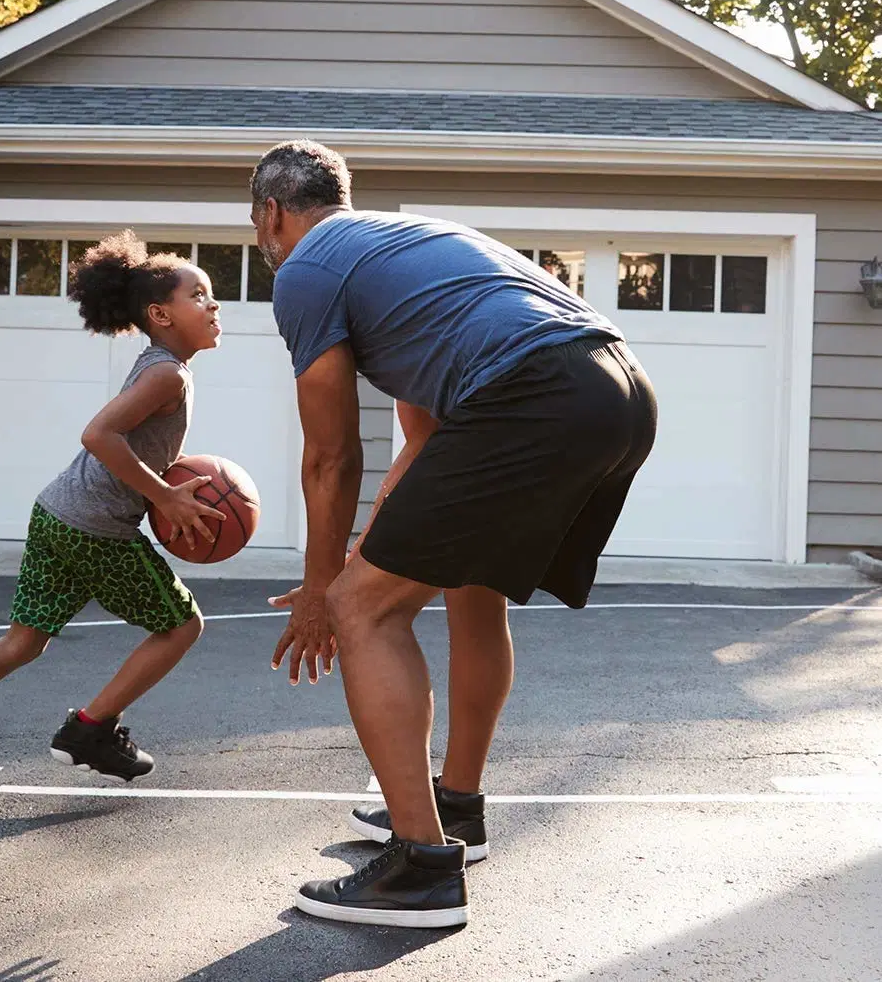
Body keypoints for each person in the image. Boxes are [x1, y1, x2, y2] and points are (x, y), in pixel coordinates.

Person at [251, 140, 656, 929]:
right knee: (469, 586)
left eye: (258, 227)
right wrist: (373, 548)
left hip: (534, 393)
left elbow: (331, 455)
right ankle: (456, 810)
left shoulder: (306, 270)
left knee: (366, 611)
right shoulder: (403, 246)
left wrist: (325, 591)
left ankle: (421, 870)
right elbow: (425, 438)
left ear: (271, 213)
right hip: (618, 389)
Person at [0, 233, 226, 780]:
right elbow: (98, 434)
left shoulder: (163, 366)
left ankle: (90, 727)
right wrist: (164, 494)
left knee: (22, 643)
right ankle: (90, 729)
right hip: (94, 527)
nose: (214, 306)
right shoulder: (166, 373)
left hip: (56, 513)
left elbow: (135, 442)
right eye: (200, 296)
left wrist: (172, 476)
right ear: (161, 313)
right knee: (182, 626)